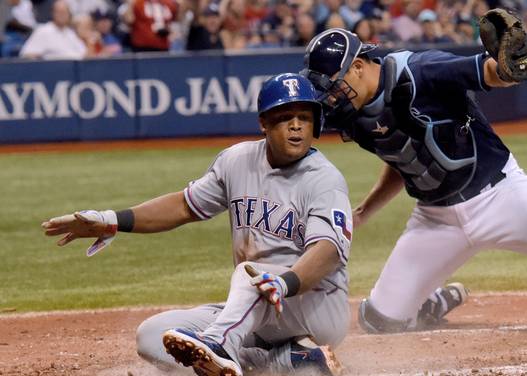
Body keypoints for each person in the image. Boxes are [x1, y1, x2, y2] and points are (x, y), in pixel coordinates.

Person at [300, 26, 527, 335]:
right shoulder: (353, 115)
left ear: (358, 66)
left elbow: (487, 72)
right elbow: (401, 158)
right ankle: (431, 303)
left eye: (335, 86)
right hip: (436, 218)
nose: (332, 98)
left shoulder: (420, 70)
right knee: (379, 320)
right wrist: (363, 212)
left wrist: (505, 68)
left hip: (501, 196)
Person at [41, 73, 350, 376]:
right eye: (284, 117)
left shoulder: (324, 179)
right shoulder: (238, 160)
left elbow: (327, 252)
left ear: (316, 123)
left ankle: (220, 345)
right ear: (264, 123)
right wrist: (112, 220)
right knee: (153, 337)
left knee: (249, 274)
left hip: (312, 307)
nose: (296, 125)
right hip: (258, 306)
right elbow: (184, 206)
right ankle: (293, 361)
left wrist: (284, 283)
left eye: (304, 117)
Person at [19, 0, 87, 59]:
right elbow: (26, 55)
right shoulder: (43, 30)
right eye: (59, 12)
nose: (61, 15)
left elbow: (84, 55)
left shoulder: (70, 33)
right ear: (53, 13)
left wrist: (89, 40)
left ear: (69, 14)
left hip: (74, 70)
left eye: (64, 12)